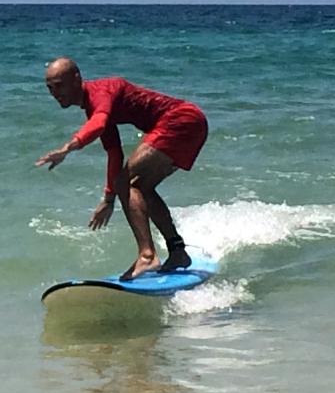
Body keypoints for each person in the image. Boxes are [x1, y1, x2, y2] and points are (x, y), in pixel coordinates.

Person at [35, 57, 208, 279]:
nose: (55, 93)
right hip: (189, 122)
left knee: (128, 183)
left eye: (59, 85)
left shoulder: (101, 93)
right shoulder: (94, 107)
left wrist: (68, 148)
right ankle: (178, 252)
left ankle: (147, 256)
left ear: (76, 78)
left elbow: (97, 124)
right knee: (140, 187)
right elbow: (114, 152)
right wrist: (108, 199)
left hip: (180, 119)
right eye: (50, 88)